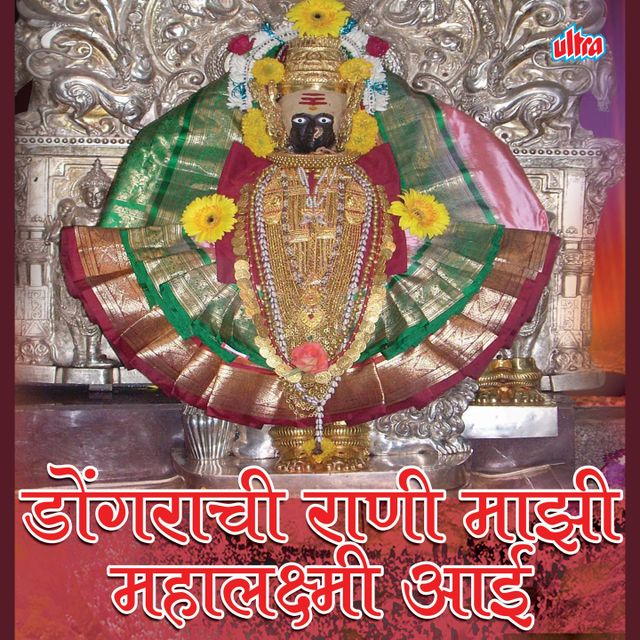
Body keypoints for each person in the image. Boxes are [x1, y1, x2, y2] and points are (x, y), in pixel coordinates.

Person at [61, 0, 558, 456]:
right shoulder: (250, 178)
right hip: (258, 321)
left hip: (363, 315)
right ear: (272, 107)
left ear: (353, 107)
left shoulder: (371, 178)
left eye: (328, 106)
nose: (314, 118)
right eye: (299, 108)